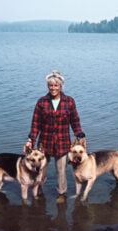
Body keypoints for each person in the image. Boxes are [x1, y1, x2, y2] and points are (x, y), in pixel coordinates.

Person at [23, 70, 85, 204]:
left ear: (61, 86)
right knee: (40, 170)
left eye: (56, 85)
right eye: (50, 85)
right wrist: (30, 140)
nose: (53, 88)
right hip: (44, 144)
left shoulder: (69, 101)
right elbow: (35, 124)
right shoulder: (41, 102)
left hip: (63, 143)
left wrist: (79, 134)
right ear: (48, 86)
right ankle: (38, 190)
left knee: (61, 171)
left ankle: (61, 194)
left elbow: (75, 121)